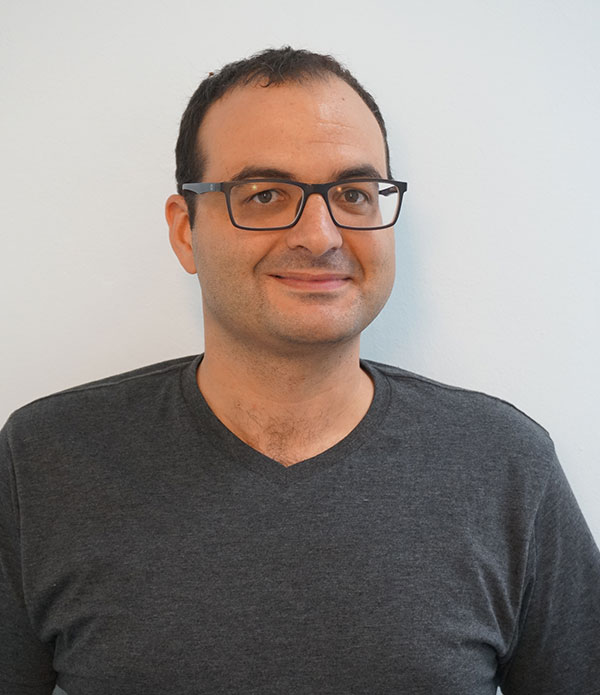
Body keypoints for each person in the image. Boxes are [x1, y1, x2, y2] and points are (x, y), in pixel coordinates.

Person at [1, 47, 599, 695]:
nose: (320, 235)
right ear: (185, 231)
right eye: (265, 194)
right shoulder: (44, 461)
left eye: (353, 194)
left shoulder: (506, 465)